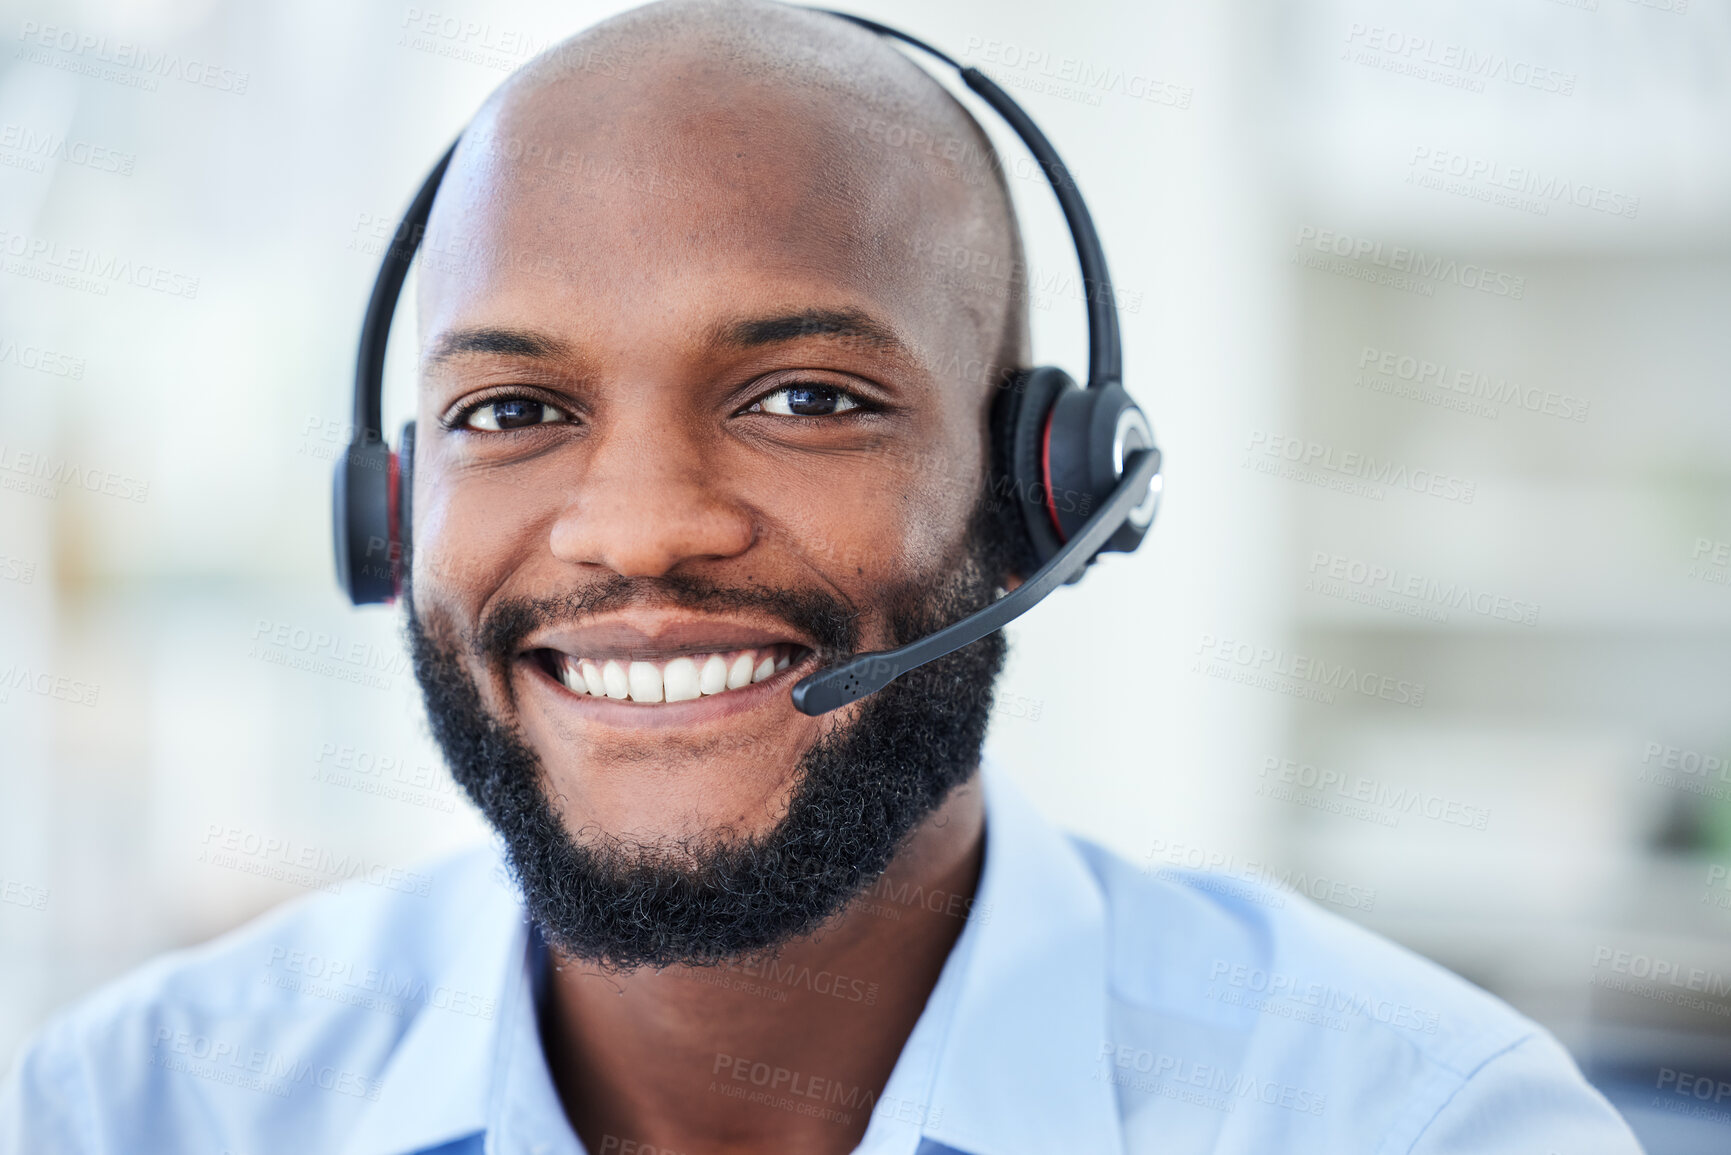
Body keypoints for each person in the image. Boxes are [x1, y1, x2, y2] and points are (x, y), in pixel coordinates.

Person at [0, 2, 1643, 1152]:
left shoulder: (1418, 1126)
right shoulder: (141, 1109)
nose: (636, 529)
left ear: (1042, 490)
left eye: (806, 400)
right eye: (512, 410)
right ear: (392, 509)